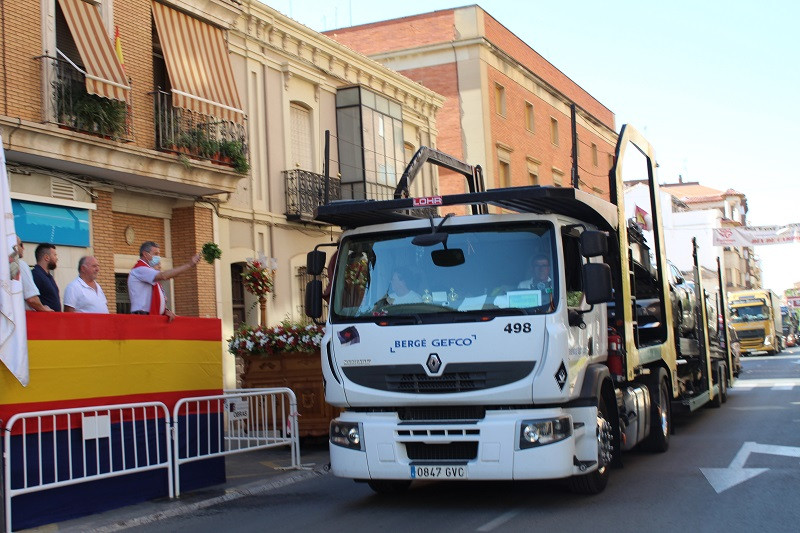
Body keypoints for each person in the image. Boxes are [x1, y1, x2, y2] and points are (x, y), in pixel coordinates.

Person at [128, 241, 200, 320]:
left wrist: (164, 311)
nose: (158, 257)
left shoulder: (149, 273)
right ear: (145, 254)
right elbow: (164, 276)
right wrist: (189, 265)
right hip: (142, 316)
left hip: (152, 315)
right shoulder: (140, 269)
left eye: (159, 254)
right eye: (156, 254)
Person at [16, 237, 53, 312]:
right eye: (21, 244)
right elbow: (31, 299)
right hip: (19, 319)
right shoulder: (20, 265)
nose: (23, 248)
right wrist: (44, 309)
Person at [32, 243, 61, 312]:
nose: (57, 258)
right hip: (43, 320)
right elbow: (32, 299)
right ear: (46, 257)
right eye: (55, 255)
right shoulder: (35, 275)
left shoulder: (49, 276)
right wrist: (43, 309)